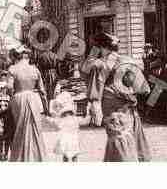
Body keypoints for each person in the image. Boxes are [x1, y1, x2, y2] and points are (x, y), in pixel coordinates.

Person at [85, 32, 151, 162]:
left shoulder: (100, 64)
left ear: (103, 48)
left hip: (112, 109)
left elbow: (94, 91)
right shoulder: (128, 61)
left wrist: (95, 108)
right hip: (129, 110)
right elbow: (144, 89)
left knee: (118, 143)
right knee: (129, 139)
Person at [7, 47, 48, 162]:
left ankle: (20, 157)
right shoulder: (35, 69)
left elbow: (10, 88)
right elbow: (42, 90)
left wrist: (11, 97)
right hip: (33, 98)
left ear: (17, 56)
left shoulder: (13, 69)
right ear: (27, 57)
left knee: (19, 128)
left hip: (18, 98)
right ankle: (36, 156)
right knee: (34, 127)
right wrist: (46, 107)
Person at [44, 92, 81, 162]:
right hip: (74, 140)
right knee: (74, 155)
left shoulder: (62, 120)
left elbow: (54, 122)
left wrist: (47, 118)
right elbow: (78, 125)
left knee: (66, 155)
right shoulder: (74, 119)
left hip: (65, 140)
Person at [37, 50, 59, 115]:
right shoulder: (55, 56)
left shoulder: (42, 56)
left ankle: (46, 109)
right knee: (52, 91)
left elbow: (39, 67)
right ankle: (51, 109)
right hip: (54, 74)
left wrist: (41, 75)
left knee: (44, 92)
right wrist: (58, 75)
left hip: (44, 74)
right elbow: (58, 66)